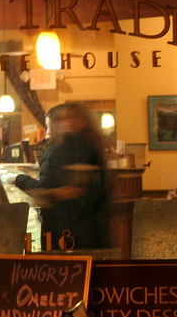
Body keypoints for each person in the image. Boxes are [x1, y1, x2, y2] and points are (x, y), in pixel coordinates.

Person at [12, 103, 111, 251]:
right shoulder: (89, 146)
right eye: (63, 119)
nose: (68, 122)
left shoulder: (65, 149)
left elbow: (52, 188)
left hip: (68, 231)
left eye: (73, 117)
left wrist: (21, 180)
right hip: (84, 231)